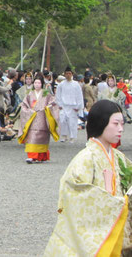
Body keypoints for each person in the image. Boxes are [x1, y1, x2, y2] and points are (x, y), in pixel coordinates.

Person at [44, 100, 132, 256]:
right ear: (101, 123)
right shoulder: (85, 158)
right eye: (116, 124)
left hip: (115, 229)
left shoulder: (118, 157)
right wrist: (116, 203)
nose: (121, 129)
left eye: (122, 124)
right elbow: (74, 193)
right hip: (95, 232)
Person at [18, 77, 59, 164]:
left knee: (42, 138)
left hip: (43, 118)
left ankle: (41, 156)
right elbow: (24, 105)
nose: (37, 85)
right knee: (32, 137)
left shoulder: (46, 93)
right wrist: (29, 111)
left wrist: (47, 108)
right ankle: (31, 156)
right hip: (32, 117)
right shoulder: (29, 94)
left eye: (39, 83)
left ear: (42, 84)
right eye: (35, 83)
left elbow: (53, 103)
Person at [56, 67, 84, 144]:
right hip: (64, 106)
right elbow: (58, 95)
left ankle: (72, 137)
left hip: (72, 106)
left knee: (72, 122)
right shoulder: (61, 85)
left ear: (72, 74)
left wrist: (78, 106)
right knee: (63, 121)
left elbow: (79, 96)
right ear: (64, 74)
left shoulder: (76, 84)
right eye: (67, 73)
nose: (68, 75)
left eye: (69, 73)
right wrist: (59, 104)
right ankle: (64, 136)